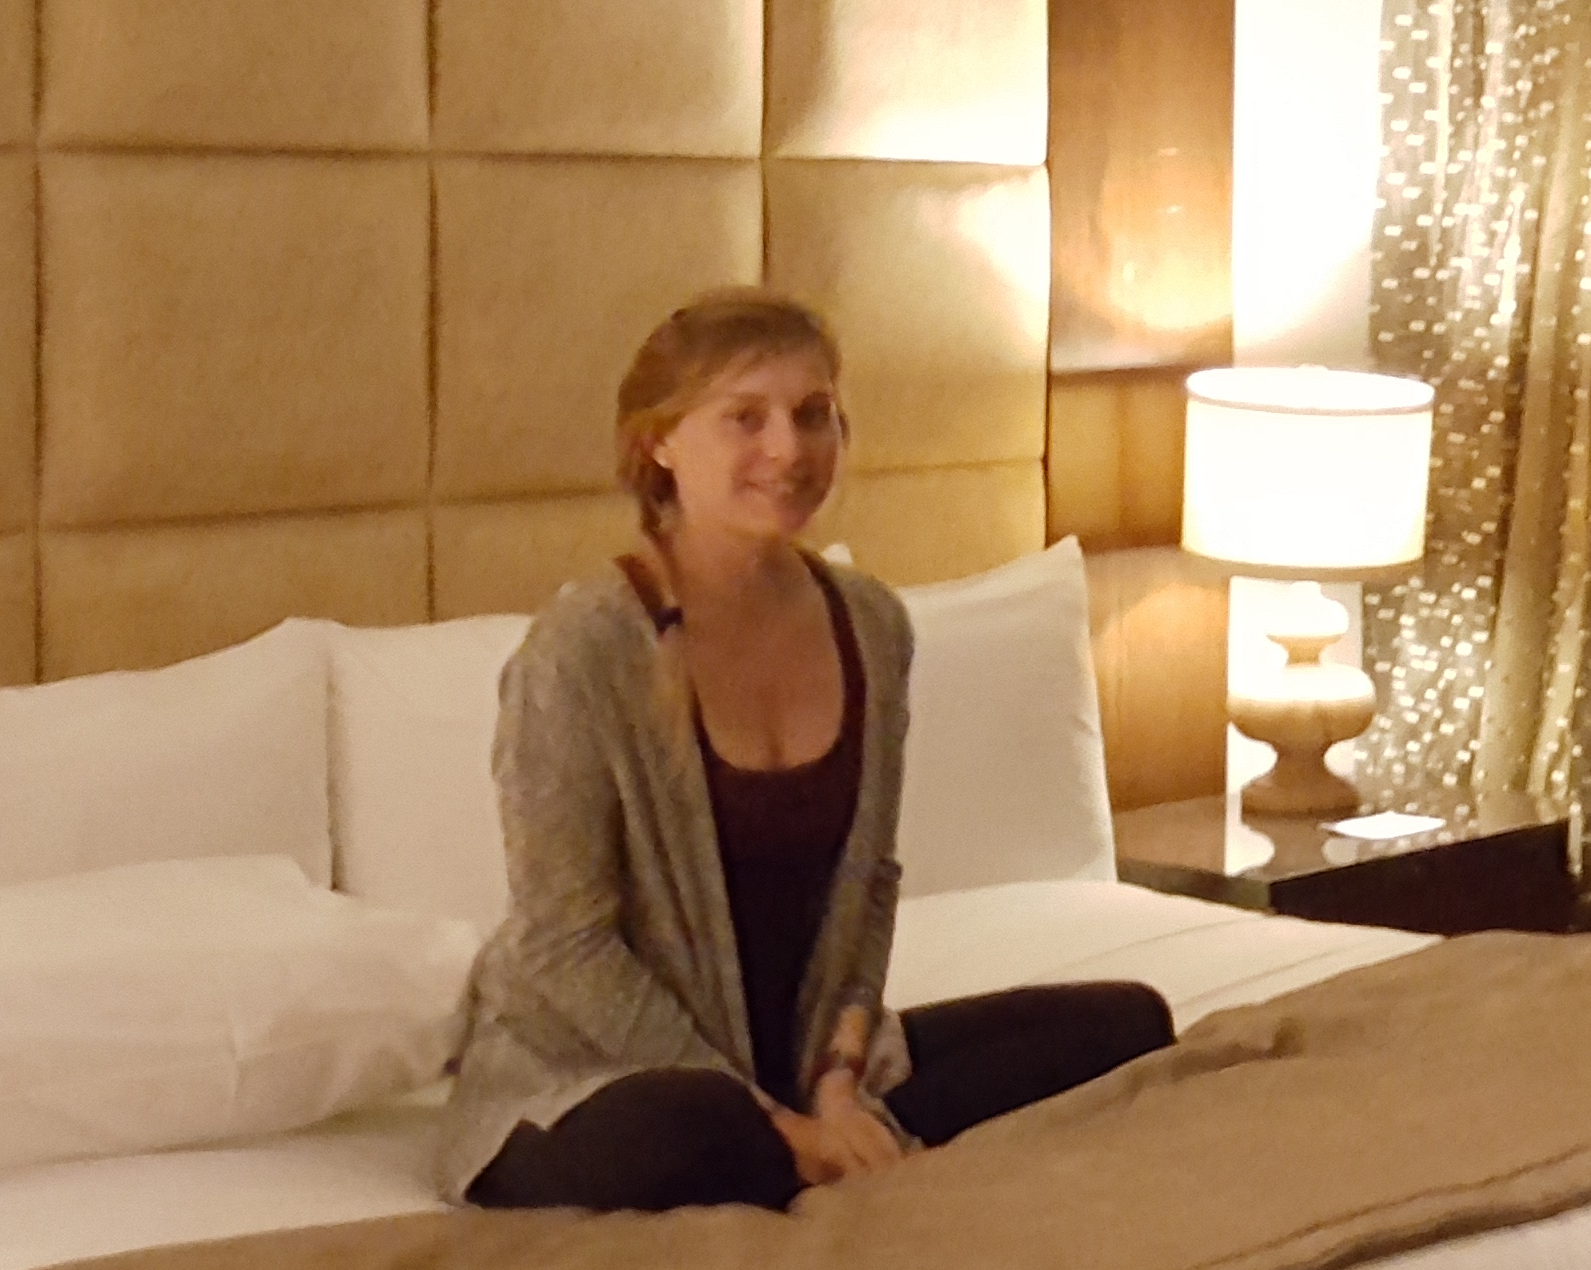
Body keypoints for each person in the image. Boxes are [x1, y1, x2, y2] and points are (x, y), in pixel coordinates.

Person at [438, 289, 1169, 1212]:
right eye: (745, 418)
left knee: (1131, 1023)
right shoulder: (584, 647)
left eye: (812, 414)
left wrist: (836, 1081)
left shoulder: (871, 623)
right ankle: (814, 1152)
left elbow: (870, 884)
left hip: (801, 1056)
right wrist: (776, 1120)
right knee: (693, 1130)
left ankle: (838, 1141)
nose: (788, 449)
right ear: (659, 443)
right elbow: (565, 946)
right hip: (601, 1074)